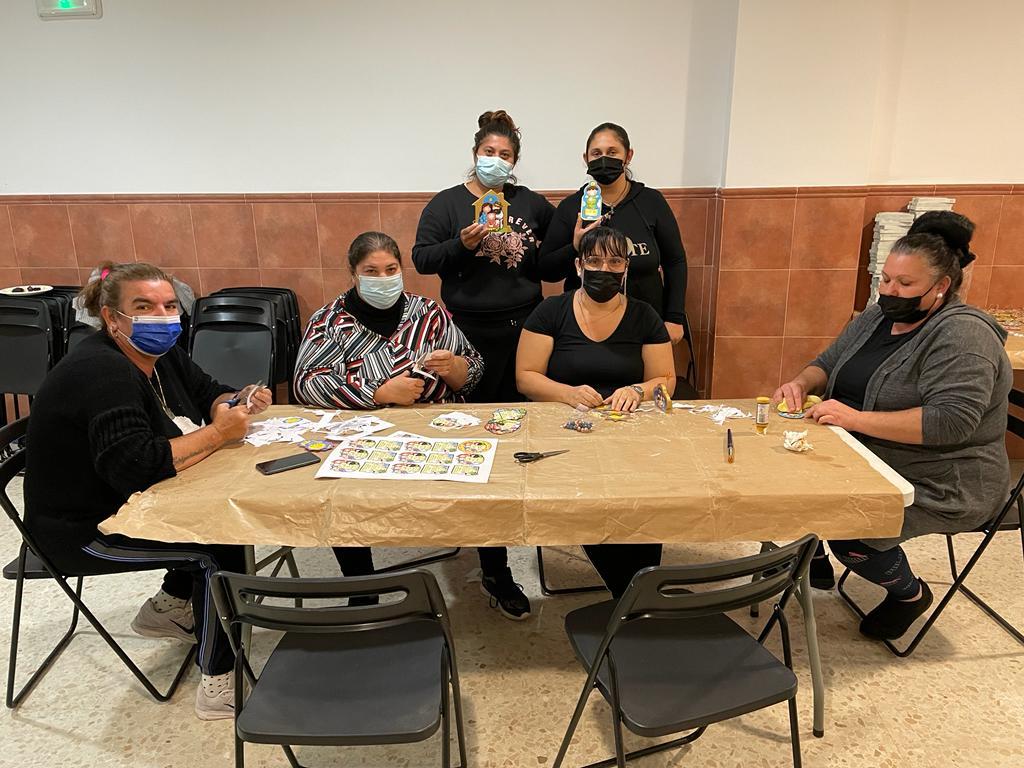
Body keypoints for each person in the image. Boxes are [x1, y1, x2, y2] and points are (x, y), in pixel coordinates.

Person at [23, 261, 272, 720]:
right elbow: (138, 466)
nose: (162, 316)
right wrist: (218, 434)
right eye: (144, 306)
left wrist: (235, 402)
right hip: (83, 528)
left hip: (133, 502)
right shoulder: (102, 371)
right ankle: (220, 684)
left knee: (218, 517)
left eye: (169, 306)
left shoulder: (163, 355)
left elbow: (208, 392)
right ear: (112, 318)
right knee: (217, 544)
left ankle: (170, 607)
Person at [774, 211, 1012, 640]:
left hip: (944, 477)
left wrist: (854, 418)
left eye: (905, 285)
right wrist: (800, 381)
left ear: (940, 287)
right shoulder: (876, 316)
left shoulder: (963, 335)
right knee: (786, 484)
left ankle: (908, 594)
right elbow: (827, 364)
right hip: (866, 454)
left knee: (852, 529)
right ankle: (816, 564)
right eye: (886, 279)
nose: (889, 291)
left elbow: (951, 422)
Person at [293, 231, 532, 620]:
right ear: (353, 273)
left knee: (482, 486)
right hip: (367, 431)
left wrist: (458, 370)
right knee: (341, 493)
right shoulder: (330, 321)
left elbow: (473, 367)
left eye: (391, 269)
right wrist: (378, 391)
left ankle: (496, 572)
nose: (383, 277)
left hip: (441, 423)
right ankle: (361, 586)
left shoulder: (427, 312)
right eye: (371, 270)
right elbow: (307, 382)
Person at [516, 227, 676, 596]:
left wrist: (637, 390)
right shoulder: (551, 310)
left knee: (639, 502)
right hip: (566, 430)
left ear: (626, 269)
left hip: (628, 432)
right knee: (593, 501)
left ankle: (637, 588)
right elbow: (526, 378)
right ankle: (632, 592)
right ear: (578, 265)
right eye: (595, 260)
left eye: (615, 261)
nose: (605, 268)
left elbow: (666, 379)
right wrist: (567, 393)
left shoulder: (644, 314)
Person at [412, 109, 556, 403]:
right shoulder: (447, 203)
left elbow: (560, 239)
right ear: (475, 153)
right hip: (467, 330)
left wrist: (578, 239)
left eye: (505, 155)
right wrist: (460, 245)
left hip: (524, 327)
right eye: (489, 152)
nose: (496, 160)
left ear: (514, 161)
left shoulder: (529, 201)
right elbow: (422, 259)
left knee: (521, 413)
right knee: (472, 412)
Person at [538, 122, 688, 347]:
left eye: (612, 152)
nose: (603, 159)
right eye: (596, 154)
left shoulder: (651, 202)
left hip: (645, 326)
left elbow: (675, 261)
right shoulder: (572, 207)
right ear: (585, 158)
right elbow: (546, 270)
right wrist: (576, 246)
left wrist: (674, 317)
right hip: (583, 328)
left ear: (628, 156)